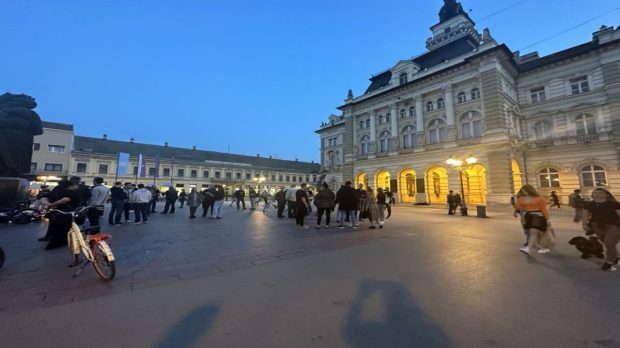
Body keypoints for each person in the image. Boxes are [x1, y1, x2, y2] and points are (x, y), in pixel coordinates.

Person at [582, 188, 620, 271]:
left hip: (613, 225)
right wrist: (584, 225)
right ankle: (616, 257)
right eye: (595, 193)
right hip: (596, 226)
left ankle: (609, 263)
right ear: (592, 195)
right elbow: (585, 215)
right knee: (609, 244)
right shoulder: (588, 204)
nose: (597, 195)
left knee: (609, 242)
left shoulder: (614, 204)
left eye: (600, 193)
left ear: (606, 194)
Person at [39, 180, 83, 250]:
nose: (77, 186)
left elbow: (43, 198)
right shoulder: (71, 192)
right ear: (71, 185)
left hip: (55, 212)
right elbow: (66, 199)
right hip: (65, 213)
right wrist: (52, 204)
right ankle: (59, 242)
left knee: (54, 226)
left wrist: (49, 204)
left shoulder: (56, 190)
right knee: (63, 228)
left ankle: (52, 239)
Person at [513, 184, 550, 255]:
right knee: (535, 233)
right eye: (523, 191)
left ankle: (529, 248)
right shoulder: (521, 198)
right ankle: (542, 248)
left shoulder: (539, 198)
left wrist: (547, 219)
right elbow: (517, 207)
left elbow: (544, 209)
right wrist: (515, 201)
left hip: (538, 216)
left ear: (530, 191)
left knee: (534, 232)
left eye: (525, 191)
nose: (524, 192)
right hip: (528, 216)